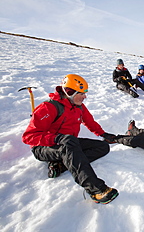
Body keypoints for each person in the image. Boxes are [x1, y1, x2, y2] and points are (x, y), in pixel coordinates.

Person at [22, 74, 119, 204]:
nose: (85, 97)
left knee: (102, 147)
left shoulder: (78, 106)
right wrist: (57, 138)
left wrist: (103, 134)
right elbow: (29, 137)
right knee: (69, 145)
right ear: (69, 92)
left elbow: (90, 122)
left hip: (68, 143)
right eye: (81, 93)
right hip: (44, 147)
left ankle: (61, 165)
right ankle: (96, 191)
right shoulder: (49, 107)